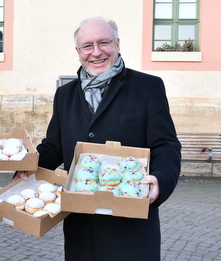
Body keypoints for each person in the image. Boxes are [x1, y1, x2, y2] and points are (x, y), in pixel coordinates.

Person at [16, 16, 181, 260]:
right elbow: (54, 146)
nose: (96, 52)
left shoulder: (147, 87)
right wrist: (25, 169)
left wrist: (160, 179)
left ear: (117, 44)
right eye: (87, 46)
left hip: (130, 225)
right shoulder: (65, 95)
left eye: (104, 43)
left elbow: (166, 145)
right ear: (78, 51)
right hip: (81, 227)